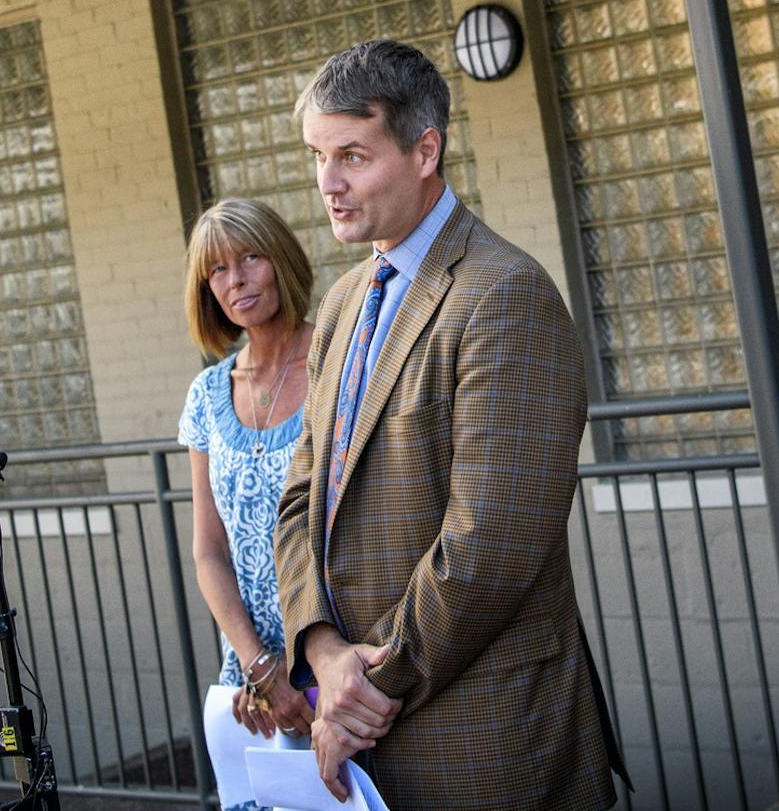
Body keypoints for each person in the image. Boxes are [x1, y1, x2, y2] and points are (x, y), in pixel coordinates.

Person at [273, 39, 621, 810]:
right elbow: (301, 500)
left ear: (424, 149)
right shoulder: (339, 304)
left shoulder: (503, 295)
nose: (327, 184)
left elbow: (489, 544)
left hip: (484, 738)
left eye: (353, 157)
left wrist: (362, 695)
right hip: (365, 730)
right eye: (317, 156)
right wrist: (324, 653)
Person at [178, 197, 319, 811]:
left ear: (280, 260)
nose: (235, 281)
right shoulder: (208, 394)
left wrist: (299, 667)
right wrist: (257, 668)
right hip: (253, 680)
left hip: (340, 657)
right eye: (216, 270)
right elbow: (210, 552)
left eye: (251, 258)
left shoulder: (338, 360)